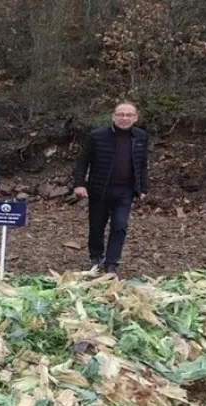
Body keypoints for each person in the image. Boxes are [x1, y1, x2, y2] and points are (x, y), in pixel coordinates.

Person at [73, 101, 149, 276]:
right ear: (113, 116)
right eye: (120, 114)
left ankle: (112, 263)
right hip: (100, 189)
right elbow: (82, 161)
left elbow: (142, 163)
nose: (124, 118)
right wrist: (79, 184)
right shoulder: (97, 136)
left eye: (129, 115)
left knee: (120, 226)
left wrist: (143, 187)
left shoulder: (140, 136)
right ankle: (96, 256)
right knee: (97, 226)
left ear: (136, 117)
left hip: (125, 191)